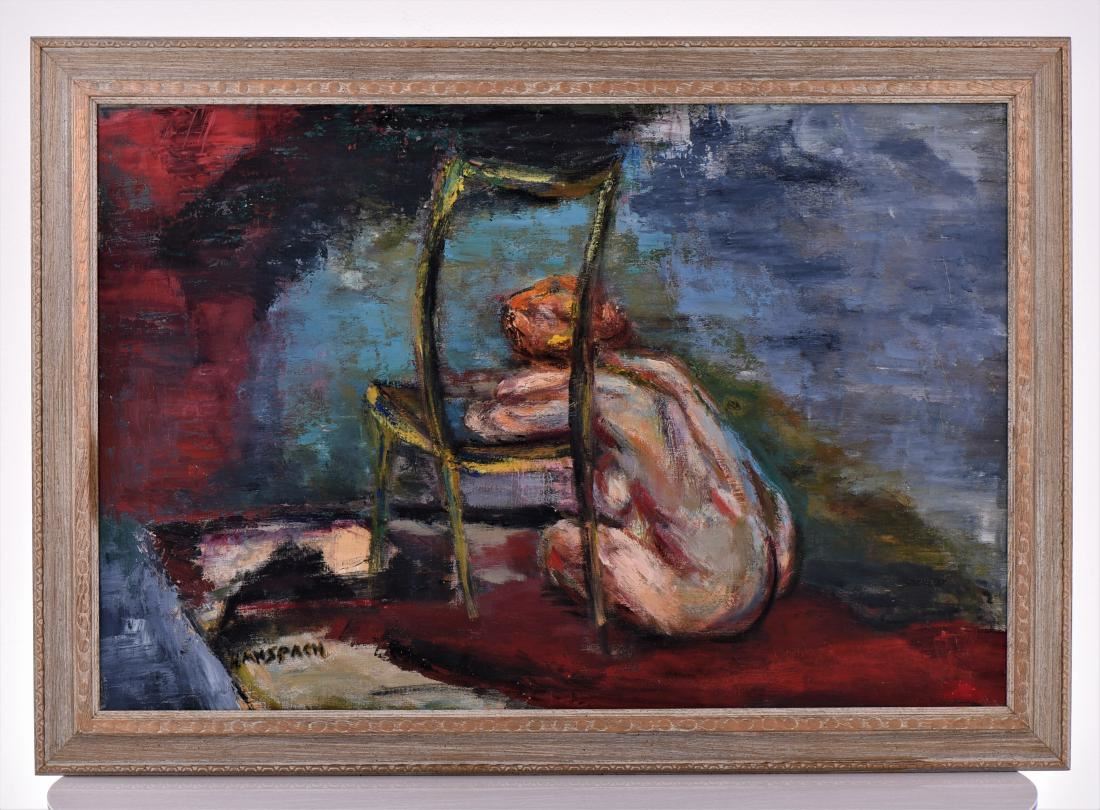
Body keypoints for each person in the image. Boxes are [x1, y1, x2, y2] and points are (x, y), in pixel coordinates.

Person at [464, 276, 797, 637]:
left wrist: (497, 396)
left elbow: (492, 422)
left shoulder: (600, 394)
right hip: (765, 578)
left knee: (558, 542)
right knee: (640, 484)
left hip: (702, 603)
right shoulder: (666, 373)